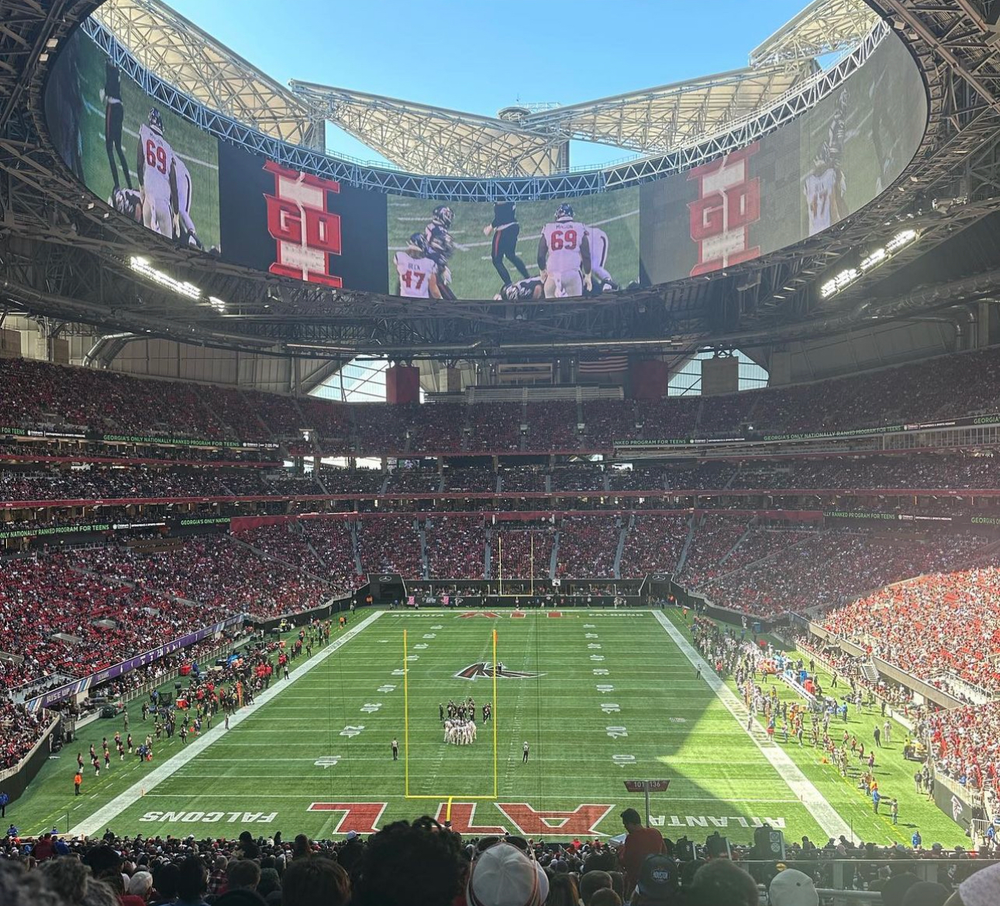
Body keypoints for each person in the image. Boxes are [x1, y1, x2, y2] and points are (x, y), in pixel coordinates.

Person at [538, 203, 591, 298]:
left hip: (553, 274)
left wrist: (543, 271)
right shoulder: (579, 227)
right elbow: (586, 255)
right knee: (574, 308)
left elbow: (540, 256)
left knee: (551, 308)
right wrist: (587, 275)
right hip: (572, 273)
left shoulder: (548, 228)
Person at [136, 107, 175, 237]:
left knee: (149, 243)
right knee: (168, 248)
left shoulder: (145, 133)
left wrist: (141, 187)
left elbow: (139, 164)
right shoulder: (168, 148)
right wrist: (176, 214)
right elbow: (173, 186)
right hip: (163, 203)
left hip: (149, 198)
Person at [617, 808, 666, 898]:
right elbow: (664, 853)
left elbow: (626, 861)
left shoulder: (632, 838)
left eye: (625, 824)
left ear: (630, 823)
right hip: (655, 879)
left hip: (637, 883)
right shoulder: (656, 833)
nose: (625, 827)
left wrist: (620, 850)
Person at [483, 200, 530, 287]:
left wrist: (490, 227)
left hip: (504, 229)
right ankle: (527, 277)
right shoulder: (510, 192)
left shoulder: (501, 195)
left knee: (496, 260)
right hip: (513, 226)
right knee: (510, 255)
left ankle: (509, 284)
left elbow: (502, 215)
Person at [102, 60, 132, 192]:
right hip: (119, 107)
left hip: (112, 108)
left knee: (109, 148)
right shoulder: (116, 70)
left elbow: (108, 90)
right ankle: (130, 184)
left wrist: (103, 92)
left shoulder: (110, 69)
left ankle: (117, 185)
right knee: (118, 148)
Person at [395, 232, 441, 299]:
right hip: (422, 302)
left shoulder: (400, 257)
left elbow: (399, 270)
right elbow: (433, 290)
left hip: (405, 300)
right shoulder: (429, 264)